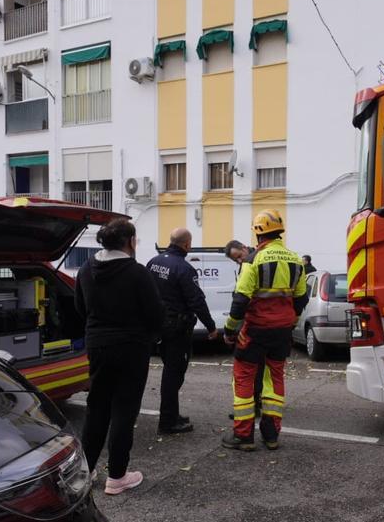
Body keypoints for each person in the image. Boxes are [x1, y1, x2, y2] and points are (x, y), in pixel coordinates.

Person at [74, 217, 164, 495]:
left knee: (97, 406)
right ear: (128, 241)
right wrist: (154, 335)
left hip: (98, 345)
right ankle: (117, 476)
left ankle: (86, 470)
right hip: (131, 348)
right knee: (124, 410)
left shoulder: (86, 269)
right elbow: (156, 313)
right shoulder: (136, 272)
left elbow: (80, 307)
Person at [221, 210, 308, 451]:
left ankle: (243, 436)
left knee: (245, 378)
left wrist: (229, 330)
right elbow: (301, 298)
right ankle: (271, 435)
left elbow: (240, 300)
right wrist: (291, 320)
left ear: (258, 233)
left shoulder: (253, 260)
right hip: (282, 332)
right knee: (275, 379)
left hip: (255, 330)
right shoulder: (296, 260)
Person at [146, 227, 218, 434]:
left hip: (159, 327)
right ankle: (168, 421)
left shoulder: (154, 262)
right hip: (177, 330)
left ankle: (171, 413)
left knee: (171, 371)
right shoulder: (184, 268)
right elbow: (196, 300)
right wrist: (211, 327)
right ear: (187, 244)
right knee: (174, 374)